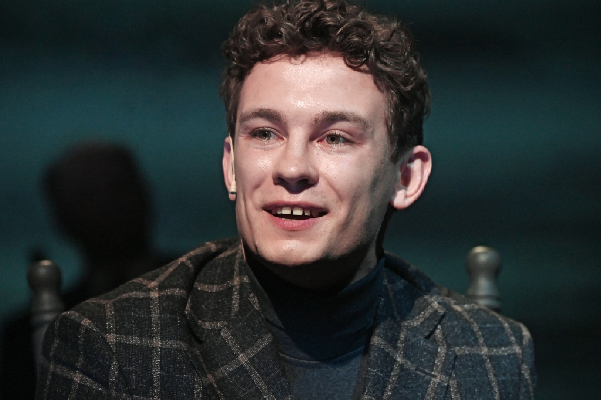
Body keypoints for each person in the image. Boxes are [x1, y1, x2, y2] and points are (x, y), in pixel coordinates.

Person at [36, 1, 536, 398]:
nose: (292, 167)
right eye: (265, 133)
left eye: (335, 138)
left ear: (406, 177)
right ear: (231, 165)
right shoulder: (111, 345)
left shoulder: (492, 354)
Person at [0, 142, 172, 400]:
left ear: (145, 194)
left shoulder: (211, 287)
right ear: (62, 218)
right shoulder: (25, 337)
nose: (109, 205)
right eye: (88, 196)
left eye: (119, 188)